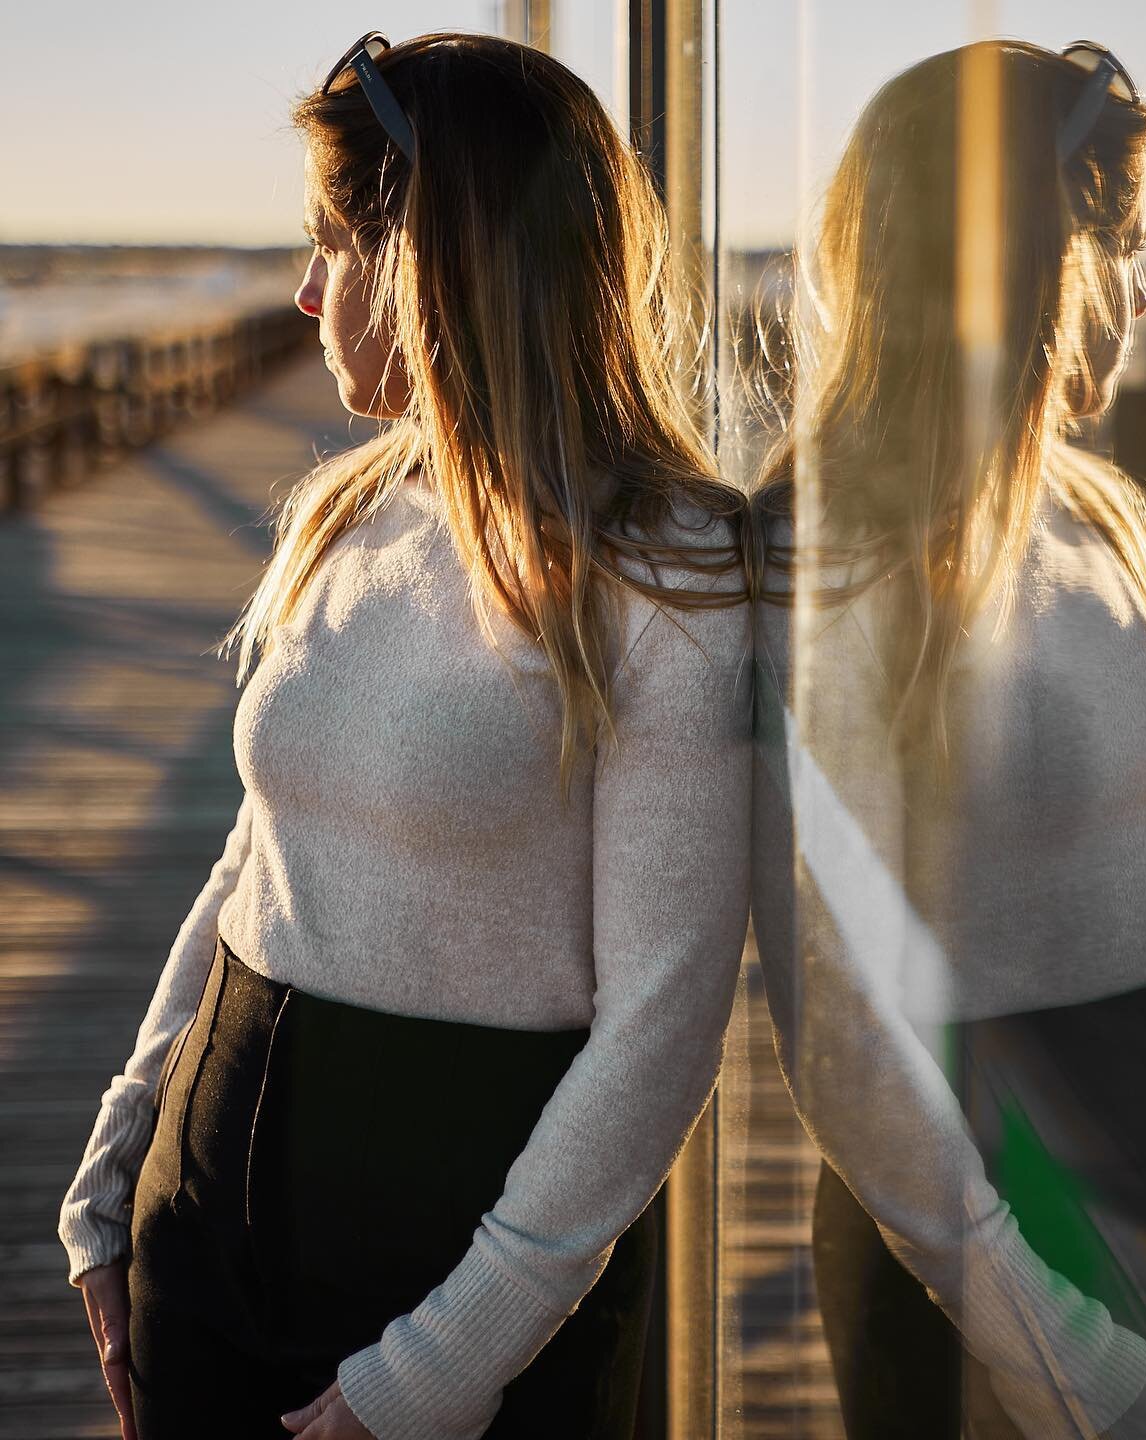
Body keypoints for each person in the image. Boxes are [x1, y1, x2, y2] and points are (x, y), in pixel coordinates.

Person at [57, 31, 751, 1440]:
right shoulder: (347, 513)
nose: (306, 292)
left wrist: (434, 1370)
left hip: (472, 1263)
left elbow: (667, 1024)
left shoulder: (672, 568)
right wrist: (118, 1162)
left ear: (436, 255)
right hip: (207, 1203)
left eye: (329, 245)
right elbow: (262, 862)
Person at [749, 39, 1146, 1439]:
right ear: (1031, 261)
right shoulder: (825, 556)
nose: (1142, 295)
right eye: (1123, 247)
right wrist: (1066, 1356)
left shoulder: (1101, 512)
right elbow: (840, 1033)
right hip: (987, 1231)